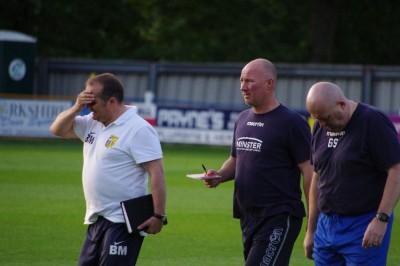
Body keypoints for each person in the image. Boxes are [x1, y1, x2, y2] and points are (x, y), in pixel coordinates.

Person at [204, 58, 313, 265]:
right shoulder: (243, 119)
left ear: (269, 83)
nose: (243, 87)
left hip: (279, 216)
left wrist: (312, 222)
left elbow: (310, 172)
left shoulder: (292, 123)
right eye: (241, 80)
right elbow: (236, 160)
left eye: (249, 81)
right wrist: (219, 175)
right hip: (248, 216)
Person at [50, 73, 167, 265]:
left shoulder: (138, 129)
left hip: (123, 220)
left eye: (92, 102)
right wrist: (76, 106)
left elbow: (157, 173)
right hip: (96, 218)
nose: (88, 107)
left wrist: (158, 215)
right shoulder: (91, 122)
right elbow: (57, 129)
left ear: (111, 101)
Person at [303, 81, 400, 265]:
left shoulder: (373, 122)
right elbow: (317, 178)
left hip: (363, 223)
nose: (322, 125)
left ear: (341, 104)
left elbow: (396, 170)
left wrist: (381, 219)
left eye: (326, 118)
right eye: (318, 119)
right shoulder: (320, 127)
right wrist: (311, 230)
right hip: (326, 224)